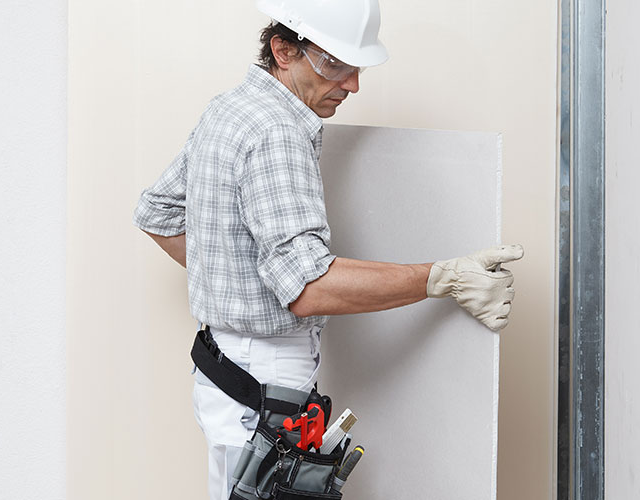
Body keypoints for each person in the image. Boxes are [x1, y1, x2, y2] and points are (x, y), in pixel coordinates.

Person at [133, 1, 523, 498]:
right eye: (335, 64)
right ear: (283, 50)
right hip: (262, 382)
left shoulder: (230, 109)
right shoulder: (277, 131)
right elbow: (308, 287)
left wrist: (243, 275)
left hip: (228, 375)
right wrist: (440, 277)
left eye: (357, 67)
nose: (353, 84)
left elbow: (158, 213)